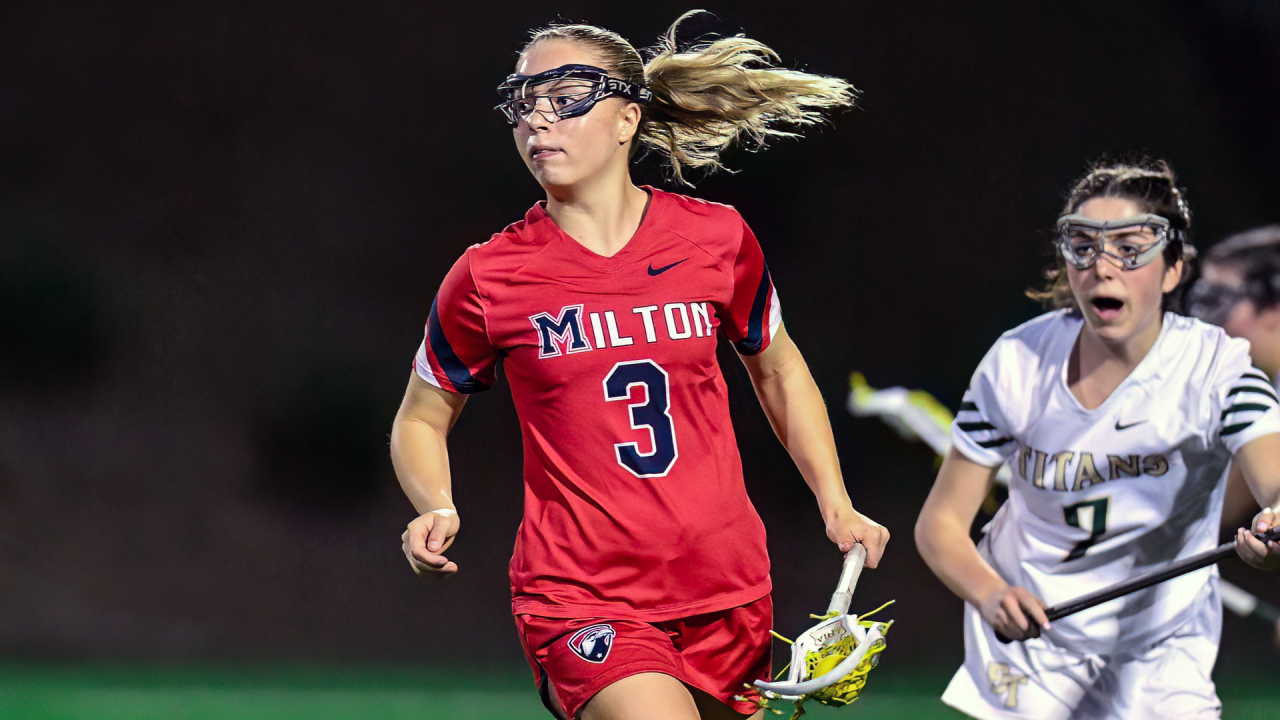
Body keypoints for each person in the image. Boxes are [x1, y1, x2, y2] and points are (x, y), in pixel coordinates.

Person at [390, 12, 889, 720]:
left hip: (729, 589)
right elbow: (421, 415)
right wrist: (434, 503)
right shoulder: (488, 275)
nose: (539, 119)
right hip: (580, 595)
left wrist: (835, 502)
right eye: (523, 101)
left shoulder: (717, 238)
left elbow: (777, 371)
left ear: (627, 118)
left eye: (565, 97)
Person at [914, 158, 1280, 719]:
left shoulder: (1217, 369)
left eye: (1131, 248)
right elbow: (940, 524)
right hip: (1030, 653)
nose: (1102, 267)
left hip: (1161, 651)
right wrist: (990, 594)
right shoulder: (1018, 362)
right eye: (1083, 246)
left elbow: (1271, 473)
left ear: (1173, 269)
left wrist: (1275, 520)